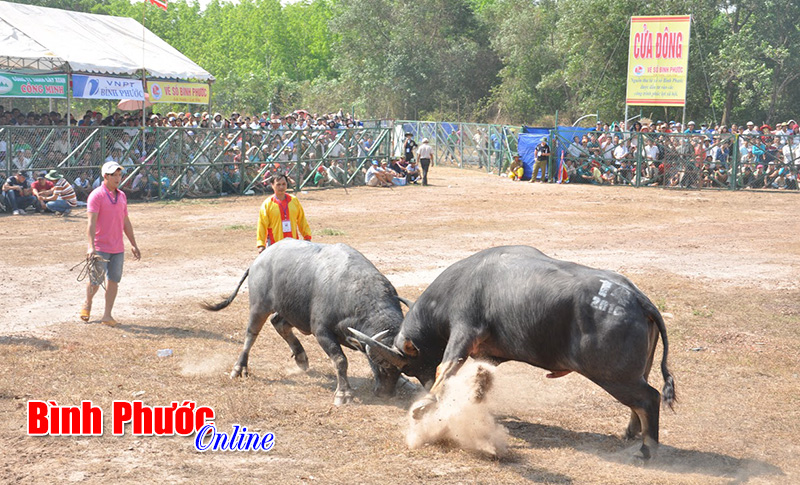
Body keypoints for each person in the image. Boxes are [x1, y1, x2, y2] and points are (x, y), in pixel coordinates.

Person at [82, 161, 141, 326]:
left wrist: (133, 244)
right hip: (101, 246)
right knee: (95, 280)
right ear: (105, 176)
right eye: (114, 175)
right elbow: (91, 223)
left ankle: (107, 315)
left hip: (117, 247)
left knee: (113, 280)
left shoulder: (122, 196)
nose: (117, 178)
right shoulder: (96, 195)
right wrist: (91, 246)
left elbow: (125, 221)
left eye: (119, 175)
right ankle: (88, 302)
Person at [256, 172, 312, 253]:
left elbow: (302, 220)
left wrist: (307, 237)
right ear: (272, 185)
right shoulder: (267, 204)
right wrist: (261, 244)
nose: (281, 187)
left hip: (293, 245)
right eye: (278, 184)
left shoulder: (294, 201)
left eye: (283, 184)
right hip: (275, 245)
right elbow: (262, 225)